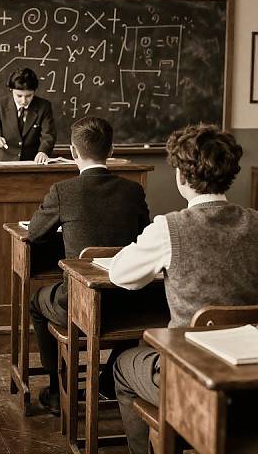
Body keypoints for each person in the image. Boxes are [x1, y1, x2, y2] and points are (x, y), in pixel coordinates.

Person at [109, 124, 258, 454]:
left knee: (122, 367)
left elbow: (121, 275)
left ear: (180, 176)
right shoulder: (257, 222)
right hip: (250, 375)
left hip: (188, 376)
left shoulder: (168, 227)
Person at [27, 116, 150, 415]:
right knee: (134, 317)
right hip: (128, 298)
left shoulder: (63, 191)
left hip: (79, 301)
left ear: (72, 151)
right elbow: (144, 238)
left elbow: (34, 233)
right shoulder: (133, 190)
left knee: (35, 303)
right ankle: (108, 381)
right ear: (111, 149)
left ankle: (58, 391)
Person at [0, 67, 56, 163]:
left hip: (33, 162)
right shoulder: (1, 104)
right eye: (19, 96)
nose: (24, 101)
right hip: (4, 162)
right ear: (11, 90)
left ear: (34, 91)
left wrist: (43, 152)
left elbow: (48, 134)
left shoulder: (44, 106)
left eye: (29, 96)